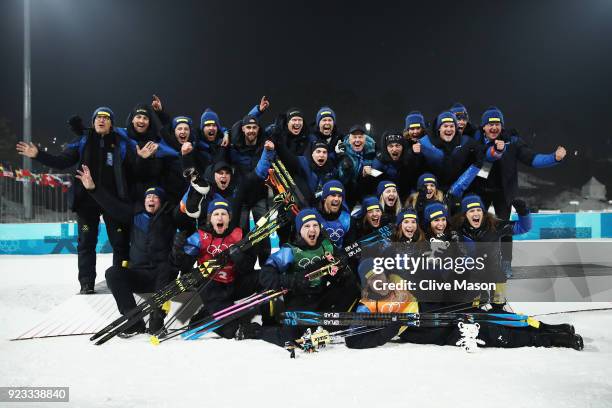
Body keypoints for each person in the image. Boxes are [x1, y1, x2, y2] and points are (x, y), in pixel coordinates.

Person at [16, 107, 132, 294]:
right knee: (86, 243)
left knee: (120, 243)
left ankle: (121, 280)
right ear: (93, 122)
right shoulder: (83, 140)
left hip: (113, 202)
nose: (101, 120)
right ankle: (87, 283)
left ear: (111, 124)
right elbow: (62, 161)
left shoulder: (121, 143)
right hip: (86, 201)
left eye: (106, 117)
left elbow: (133, 166)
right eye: (98, 117)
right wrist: (38, 155)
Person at [75, 165, 177, 335]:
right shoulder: (134, 215)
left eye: (155, 197)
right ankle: (134, 320)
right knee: (113, 273)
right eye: (148, 196)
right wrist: (93, 189)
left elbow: (185, 213)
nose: (151, 199)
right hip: (138, 273)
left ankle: (157, 320)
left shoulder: (170, 217)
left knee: (168, 268)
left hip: (162, 275)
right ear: (144, 201)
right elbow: (112, 205)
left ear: (161, 201)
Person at [471, 106, 567, 277]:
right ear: (483, 127)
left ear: (502, 126)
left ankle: (506, 263)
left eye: (497, 124)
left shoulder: (512, 142)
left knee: (505, 228)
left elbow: (531, 159)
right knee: (478, 227)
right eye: (490, 124)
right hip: (480, 191)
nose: (494, 127)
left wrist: (554, 158)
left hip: (503, 192)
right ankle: (480, 262)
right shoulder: (475, 141)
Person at [249, 208, 360, 346]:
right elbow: (265, 275)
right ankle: (256, 331)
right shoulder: (290, 250)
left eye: (315, 225)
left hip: (321, 296)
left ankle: (340, 321)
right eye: (306, 226)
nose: (312, 230)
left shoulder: (326, 245)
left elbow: (338, 265)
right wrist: (291, 280)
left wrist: (341, 265)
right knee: (290, 337)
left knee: (351, 285)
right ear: (299, 230)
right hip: (299, 299)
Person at [174, 198, 258, 339]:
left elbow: (248, 267)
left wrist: (239, 258)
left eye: (223, 214)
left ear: (229, 218)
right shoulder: (200, 236)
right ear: (210, 219)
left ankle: (270, 318)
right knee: (230, 331)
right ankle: (203, 318)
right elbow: (184, 265)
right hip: (211, 287)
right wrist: (177, 250)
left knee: (263, 277)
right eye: (216, 214)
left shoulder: (239, 234)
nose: (220, 217)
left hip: (234, 283)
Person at [454, 194, 531, 310]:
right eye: (471, 211)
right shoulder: (457, 229)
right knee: (472, 305)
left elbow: (523, 227)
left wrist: (523, 212)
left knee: (498, 294)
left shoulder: (495, 225)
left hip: (494, 274)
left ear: (483, 213)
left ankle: (498, 307)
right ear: (465, 215)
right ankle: (475, 305)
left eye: (478, 210)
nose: (476, 213)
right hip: (471, 275)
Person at [337, 124, 377, 207]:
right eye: (354, 137)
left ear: (365, 139)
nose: (357, 140)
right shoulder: (342, 151)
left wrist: (370, 170)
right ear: (349, 139)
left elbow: (379, 174)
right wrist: (346, 169)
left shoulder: (374, 150)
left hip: (367, 193)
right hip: (347, 193)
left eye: (360, 137)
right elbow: (341, 178)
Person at [316, 180, 351, 248]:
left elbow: (350, 245)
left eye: (340, 196)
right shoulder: (313, 216)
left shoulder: (347, 219)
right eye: (333, 195)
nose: (337, 199)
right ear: (325, 198)